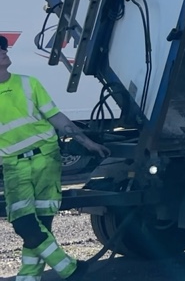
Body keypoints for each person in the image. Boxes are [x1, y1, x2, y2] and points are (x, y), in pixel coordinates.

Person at [0, 36, 110, 280]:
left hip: (46, 158)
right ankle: (69, 268)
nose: (3, 51)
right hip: (14, 165)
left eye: (3, 48)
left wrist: (87, 142)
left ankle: (28, 277)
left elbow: (57, 118)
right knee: (23, 224)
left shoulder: (28, 83)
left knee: (42, 223)